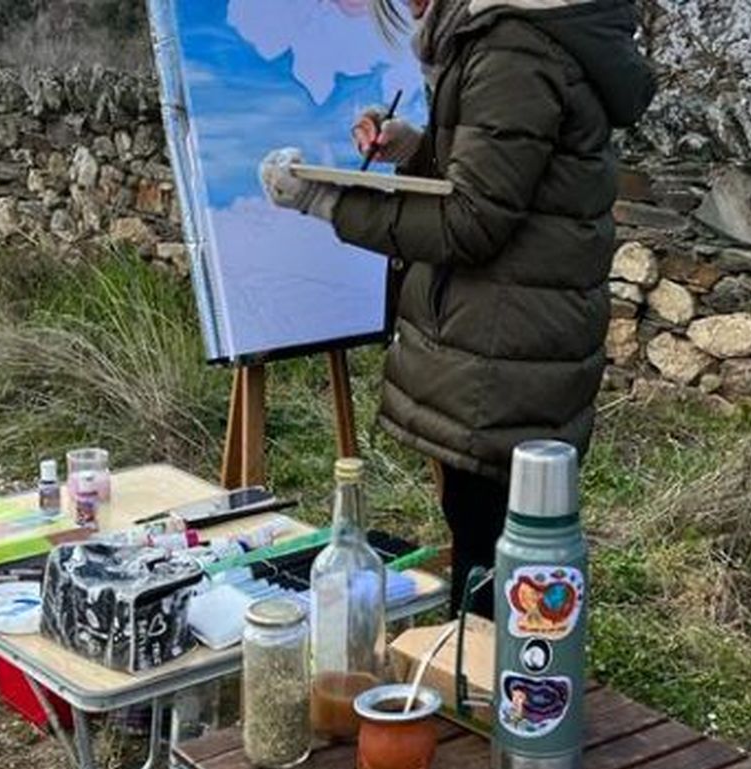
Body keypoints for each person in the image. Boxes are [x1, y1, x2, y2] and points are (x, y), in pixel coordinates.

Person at [260, 0, 655, 617]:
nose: (408, 6)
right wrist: (417, 151)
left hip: (505, 351)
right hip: (512, 343)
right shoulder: (515, 40)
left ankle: (496, 701)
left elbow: (471, 223)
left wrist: (328, 203)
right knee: (495, 545)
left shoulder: (512, 51)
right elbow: (502, 183)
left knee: (492, 558)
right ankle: (501, 689)